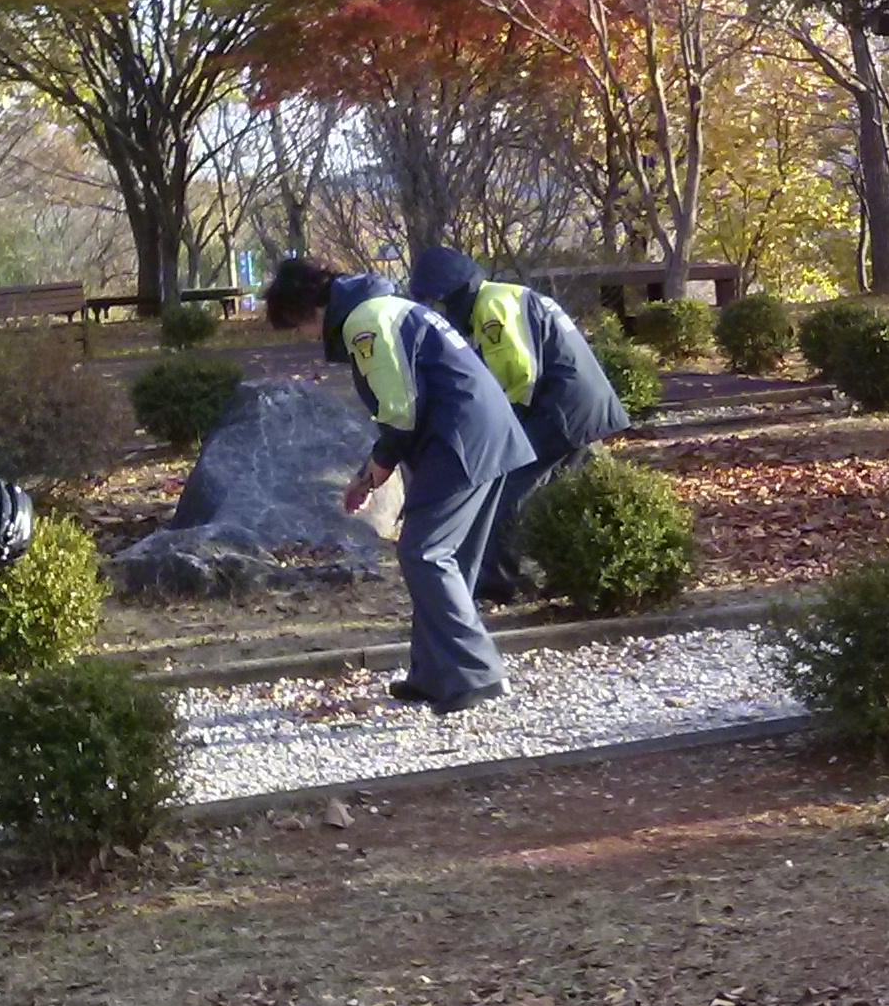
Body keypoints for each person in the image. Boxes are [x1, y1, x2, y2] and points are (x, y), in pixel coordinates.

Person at [264, 255, 536, 712]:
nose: (304, 336)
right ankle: (434, 673)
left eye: (297, 326)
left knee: (423, 553)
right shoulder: (389, 305)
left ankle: (476, 674)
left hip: (459, 442)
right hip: (487, 433)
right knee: (452, 560)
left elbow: (399, 408)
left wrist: (375, 470)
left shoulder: (366, 320)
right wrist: (370, 473)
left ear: (309, 309)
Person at [403, 245, 631, 603]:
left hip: (558, 411)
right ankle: (577, 572)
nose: (437, 313)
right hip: (580, 405)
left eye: (436, 303)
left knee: (505, 491)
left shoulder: (491, 307)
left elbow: (520, 374)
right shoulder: (508, 295)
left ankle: (499, 584)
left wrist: (500, 424)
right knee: (567, 491)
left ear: (450, 293)